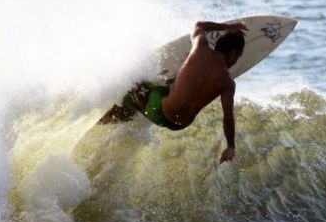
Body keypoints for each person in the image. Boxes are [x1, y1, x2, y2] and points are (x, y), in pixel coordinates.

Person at [99, 20, 248, 163]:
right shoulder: (228, 83)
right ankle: (168, 86)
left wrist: (227, 26)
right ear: (233, 53)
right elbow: (228, 117)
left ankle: (105, 118)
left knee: (131, 84)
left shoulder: (200, 48)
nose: (236, 61)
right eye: (239, 57)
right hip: (179, 124)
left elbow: (199, 25)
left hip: (160, 111)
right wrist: (230, 146)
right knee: (163, 90)